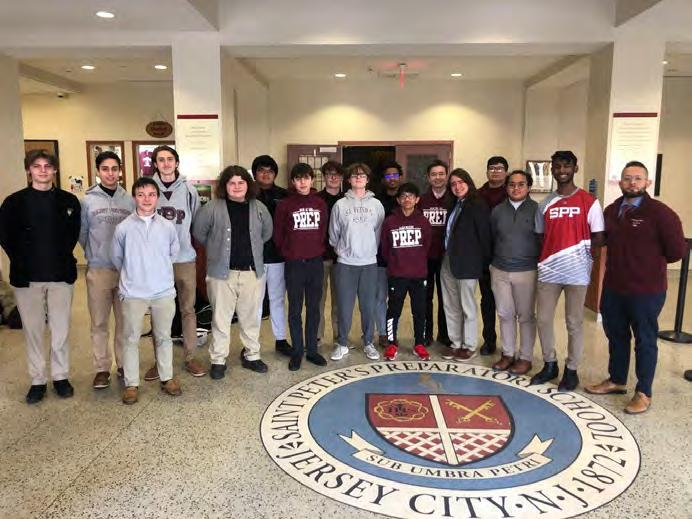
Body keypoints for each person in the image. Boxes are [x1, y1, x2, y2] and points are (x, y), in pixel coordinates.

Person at [585, 161, 685, 414]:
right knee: (616, 335)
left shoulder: (661, 213)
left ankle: (644, 392)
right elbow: (601, 239)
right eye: (628, 178)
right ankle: (617, 380)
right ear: (620, 182)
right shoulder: (612, 210)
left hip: (646, 291)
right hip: (614, 287)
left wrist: (646, 263)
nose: (632, 183)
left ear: (647, 182)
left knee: (645, 340)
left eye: (638, 178)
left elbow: (676, 251)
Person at [0, 150, 80, 404]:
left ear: (55, 170)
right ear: (29, 170)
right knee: (33, 331)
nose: (43, 170)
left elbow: (73, 235)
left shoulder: (68, 201)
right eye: (37, 166)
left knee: (60, 330)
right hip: (27, 277)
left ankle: (60, 377)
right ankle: (37, 380)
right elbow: (5, 236)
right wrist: (22, 259)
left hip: (60, 275)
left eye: (48, 166)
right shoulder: (13, 202)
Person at [530, 150, 604, 391]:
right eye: (558, 166)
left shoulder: (589, 202)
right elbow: (540, 236)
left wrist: (584, 260)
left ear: (575, 168)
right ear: (552, 169)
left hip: (577, 272)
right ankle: (550, 364)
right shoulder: (544, 204)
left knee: (574, 322)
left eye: (567, 166)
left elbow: (599, 237)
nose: (562, 170)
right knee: (543, 319)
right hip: (549, 270)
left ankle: (571, 370)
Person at [192, 166, 272, 379]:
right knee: (221, 319)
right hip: (221, 274)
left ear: (248, 185)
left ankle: (252, 355)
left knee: (250, 318)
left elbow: (266, 233)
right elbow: (199, 233)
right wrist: (216, 249)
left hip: (252, 273)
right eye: (232, 183)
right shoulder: (211, 208)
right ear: (224, 186)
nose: (237, 187)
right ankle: (218, 360)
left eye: (241, 182)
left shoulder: (259, 208)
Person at [111, 177, 182, 405]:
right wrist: (134, 275)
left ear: (157, 198)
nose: (146, 199)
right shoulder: (123, 228)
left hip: (163, 291)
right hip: (134, 293)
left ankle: (166, 377)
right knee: (131, 338)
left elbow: (173, 253)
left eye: (151, 194)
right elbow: (117, 258)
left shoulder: (167, 227)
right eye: (141, 195)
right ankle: (131, 384)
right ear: (134, 198)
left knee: (163, 337)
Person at [144, 145, 206, 380]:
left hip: (184, 259)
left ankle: (190, 357)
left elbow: (196, 223)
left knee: (188, 309)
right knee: (158, 312)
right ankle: (159, 361)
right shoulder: (147, 189)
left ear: (177, 163)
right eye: (161, 160)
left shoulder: (189, 191)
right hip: (156, 262)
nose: (166, 163)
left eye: (170, 159)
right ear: (155, 164)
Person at [80, 151, 135, 389]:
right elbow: (82, 234)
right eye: (105, 169)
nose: (110, 173)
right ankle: (102, 368)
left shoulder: (129, 200)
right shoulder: (87, 201)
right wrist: (96, 253)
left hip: (125, 270)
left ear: (120, 171)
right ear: (98, 171)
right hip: (99, 270)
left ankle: (123, 364)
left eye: (114, 169)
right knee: (99, 322)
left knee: (125, 322)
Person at [273, 163, 329, 370]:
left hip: (315, 262)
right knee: (295, 308)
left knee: (313, 308)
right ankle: (297, 350)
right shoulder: (285, 205)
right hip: (294, 263)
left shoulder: (320, 203)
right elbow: (278, 234)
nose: (302, 182)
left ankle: (312, 350)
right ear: (293, 181)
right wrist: (290, 252)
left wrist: (315, 249)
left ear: (312, 180)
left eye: (306, 178)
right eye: (298, 178)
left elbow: (323, 230)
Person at [329, 162, 385, 361]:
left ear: (367, 180)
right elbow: (334, 234)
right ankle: (342, 343)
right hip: (346, 263)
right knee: (344, 306)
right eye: (354, 175)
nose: (358, 178)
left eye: (362, 175)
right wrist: (343, 250)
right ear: (349, 180)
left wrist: (368, 250)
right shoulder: (340, 205)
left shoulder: (376, 205)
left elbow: (378, 232)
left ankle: (368, 342)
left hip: (369, 264)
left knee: (368, 306)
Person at [489, 170, 539, 375]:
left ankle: (525, 357)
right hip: (500, 270)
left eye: (521, 184)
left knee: (525, 316)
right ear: (506, 187)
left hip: (527, 271)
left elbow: (542, 239)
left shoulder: (537, 210)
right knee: (504, 313)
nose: (516, 188)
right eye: (512, 184)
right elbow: (493, 237)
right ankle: (508, 354)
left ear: (529, 187)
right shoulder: (497, 211)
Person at [440, 168, 491, 361]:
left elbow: (484, 236)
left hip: (468, 263)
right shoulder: (454, 204)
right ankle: (455, 343)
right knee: (450, 305)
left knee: (467, 306)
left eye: (461, 182)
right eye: (453, 184)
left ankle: (469, 346)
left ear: (468, 182)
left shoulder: (478, 205)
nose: (457, 186)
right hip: (448, 261)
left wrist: (484, 264)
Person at [380, 183, 432, 360]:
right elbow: (385, 248)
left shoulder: (423, 221)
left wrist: (416, 261)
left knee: (420, 310)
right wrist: (396, 263)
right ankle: (392, 343)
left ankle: (419, 343)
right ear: (398, 200)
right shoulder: (390, 221)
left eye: (411, 196)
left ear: (417, 200)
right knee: (394, 310)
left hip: (418, 275)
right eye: (403, 196)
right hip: (397, 275)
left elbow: (426, 246)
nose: (407, 199)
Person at [253, 155, 292, 356]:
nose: (266, 174)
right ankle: (251, 344)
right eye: (261, 170)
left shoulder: (285, 195)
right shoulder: (248, 194)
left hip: (278, 257)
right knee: (254, 303)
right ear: (255, 174)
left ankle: (281, 339)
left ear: (275, 174)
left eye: (270, 171)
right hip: (254, 258)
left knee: (277, 299)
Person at [418, 159, 453, 347]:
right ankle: (426, 333)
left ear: (446, 175)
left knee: (445, 296)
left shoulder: (453, 198)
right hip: (424, 257)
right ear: (428, 177)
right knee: (425, 297)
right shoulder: (421, 200)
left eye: (441, 174)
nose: (438, 177)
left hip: (447, 257)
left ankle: (444, 334)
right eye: (434, 174)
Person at [477, 156, 509, 355]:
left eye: (499, 168)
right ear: (487, 171)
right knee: (487, 300)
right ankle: (489, 340)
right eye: (492, 168)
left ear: (506, 172)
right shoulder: (478, 195)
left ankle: (509, 346)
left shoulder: (512, 193)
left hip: (507, 256)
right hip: (484, 256)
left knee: (507, 304)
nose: (495, 171)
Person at [374, 160, 403, 348]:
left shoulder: (406, 199)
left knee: (396, 299)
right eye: (388, 175)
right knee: (379, 297)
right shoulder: (376, 201)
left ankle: (393, 332)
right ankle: (383, 333)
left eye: (395, 175)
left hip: (400, 259)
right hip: (379, 257)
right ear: (383, 179)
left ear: (400, 177)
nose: (392, 178)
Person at [316, 161, 345, 345]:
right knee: (318, 299)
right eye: (329, 174)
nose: (333, 177)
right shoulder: (316, 199)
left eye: (337, 174)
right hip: (320, 257)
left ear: (342, 178)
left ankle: (339, 337)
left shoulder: (347, 200)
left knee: (340, 300)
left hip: (342, 258)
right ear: (324, 177)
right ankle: (317, 336)